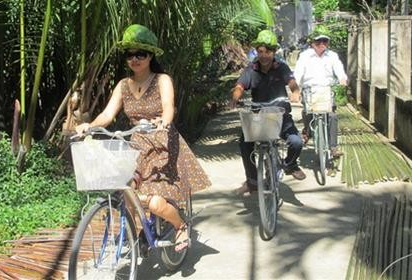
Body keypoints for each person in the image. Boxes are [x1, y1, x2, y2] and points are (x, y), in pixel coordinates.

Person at [75, 24, 211, 252]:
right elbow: (108, 114)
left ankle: (180, 226)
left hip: (163, 144)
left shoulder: (162, 80)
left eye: (141, 54)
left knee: (156, 203)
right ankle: (136, 230)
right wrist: (90, 126)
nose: (135, 59)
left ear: (150, 56)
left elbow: (168, 107)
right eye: (130, 54)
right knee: (126, 191)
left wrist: (163, 123)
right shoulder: (123, 85)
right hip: (136, 145)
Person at [230, 30, 306, 196]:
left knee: (296, 142)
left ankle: (290, 165)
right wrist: (235, 97)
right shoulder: (251, 69)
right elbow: (240, 86)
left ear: (274, 52)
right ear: (257, 51)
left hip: (280, 116)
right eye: (261, 51)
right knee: (245, 142)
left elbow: (292, 82)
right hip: (259, 118)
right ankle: (252, 182)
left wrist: (295, 92)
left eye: (268, 52)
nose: (264, 55)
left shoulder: (281, 67)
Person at [293, 34, 347, 158]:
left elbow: (339, 68)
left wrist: (343, 78)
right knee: (307, 112)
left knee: (332, 116)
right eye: (318, 41)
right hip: (309, 90)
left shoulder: (332, 56)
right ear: (312, 43)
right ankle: (307, 131)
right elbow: (298, 72)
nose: (322, 44)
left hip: (326, 90)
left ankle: (333, 147)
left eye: (325, 41)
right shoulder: (305, 56)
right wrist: (295, 89)